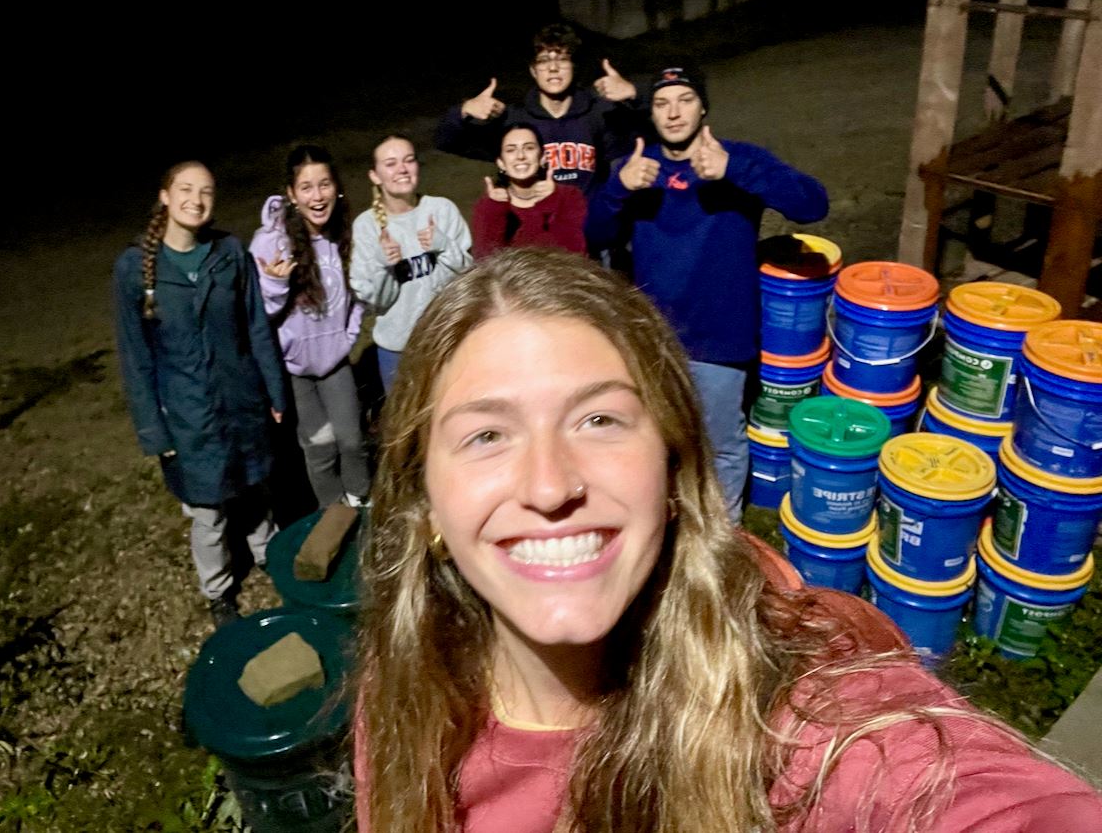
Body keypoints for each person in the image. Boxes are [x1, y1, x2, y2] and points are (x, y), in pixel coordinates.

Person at [353, 248, 1102, 833]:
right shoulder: (408, 680)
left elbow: (950, 784)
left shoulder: (790, 694)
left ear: (674, 467)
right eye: (487, 435)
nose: (550, 487)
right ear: (424, 506)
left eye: (600, 420)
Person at [586, 64, 829, 522]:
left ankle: (723, 540)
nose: (673, 113)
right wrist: (618, 189)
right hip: (653, 337)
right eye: (661, 103)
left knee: (721, 447)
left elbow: (812, 204)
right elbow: (594, 233)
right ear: (650, 113)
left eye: (684, 100)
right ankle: (665, 531)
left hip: (719, 340)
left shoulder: (739, 159)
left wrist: (734, 170)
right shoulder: (638, 168)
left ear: (703, 107)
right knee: (655, 442)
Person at [113, 161, 288, 628]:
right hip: (188, 412)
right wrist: (154, 428)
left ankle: (271, 559)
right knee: (209, 510)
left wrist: (274, 389)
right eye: (186, 190)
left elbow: (256, 326)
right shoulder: (134, 269)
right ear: (165, 197)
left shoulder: (229, 252)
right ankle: (218, 592)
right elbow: (135, 358)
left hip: (242, 399)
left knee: (256, 489)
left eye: (206, 191)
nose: (196, 199)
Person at [250, 145, 371, 509]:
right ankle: (331, 517)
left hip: (334, 360)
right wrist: (274, 285)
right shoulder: (270, 243)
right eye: (306, 187)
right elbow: (259, 315)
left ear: (336, 187)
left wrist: (348, 335)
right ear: (291, 194)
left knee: (352, 441)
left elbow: (358, 290)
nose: (317, 196)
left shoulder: (343, 233)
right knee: (319, 447)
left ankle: (361, 503)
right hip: (295, 368)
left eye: (324, 185)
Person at [436, 23, 643, 199]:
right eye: (544, 61)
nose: (553, 68)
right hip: (536, 237)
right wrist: (463, 111)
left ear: (574, 67)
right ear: (533, 71)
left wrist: (635, 95)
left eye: (562, 59)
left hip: (588, 234)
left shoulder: (598, 113)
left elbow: (663, 129)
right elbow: (446, 141)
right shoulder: (513, 121)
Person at [350, 134, 472, 394]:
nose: (402, 169)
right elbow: (375, 301)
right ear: (375, 175)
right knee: (406, 431)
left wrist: (444, 246)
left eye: (409, 160)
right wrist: (384, 267)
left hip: (445, 343)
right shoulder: (366, 226)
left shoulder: (441, 210)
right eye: (391, 163)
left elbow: (465, 282)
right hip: (397, 351)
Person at [471, 123, 587, 260]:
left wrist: (551, 201)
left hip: (561, 278)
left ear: (542, 158)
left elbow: (575, 254)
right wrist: (495, 210)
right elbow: (485, 261)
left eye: (529, 148)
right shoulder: (490, 205)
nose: (520, 156)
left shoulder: (569, 196)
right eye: (510, 150)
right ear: (501, 163)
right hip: (511, 280)